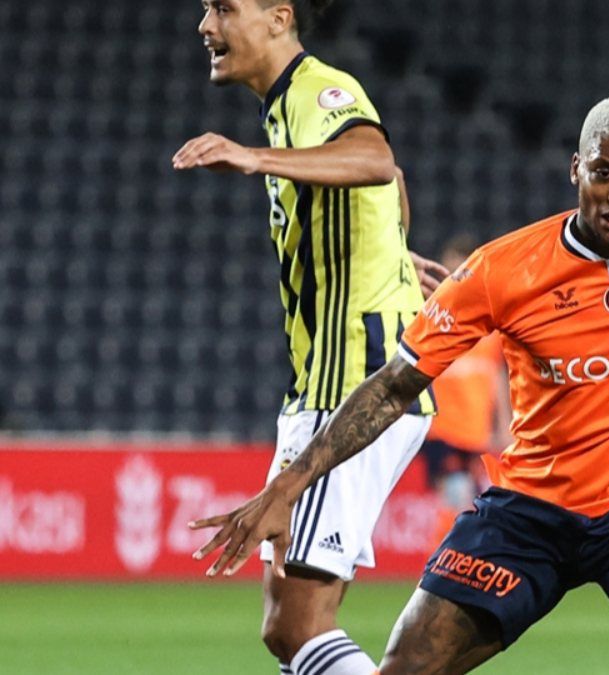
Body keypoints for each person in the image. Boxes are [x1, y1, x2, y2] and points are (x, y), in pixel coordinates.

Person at [191, 95, 609, 675]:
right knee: (405, 668)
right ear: (576, 169)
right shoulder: (503, 269)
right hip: (531, 510)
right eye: (604, 172)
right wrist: (287, 487)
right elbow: (393, 387)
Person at [173, 2, 445, 674]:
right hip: (326, 379)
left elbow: (376, 160)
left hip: (354, 381)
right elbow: (393, 183)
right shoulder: (283, 107)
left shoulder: (318, 89)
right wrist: (393, 254)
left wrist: (250, 158)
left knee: (297, 624)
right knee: (287, 623)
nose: (207, 26)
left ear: (278, 17)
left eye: (224, 8)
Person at [421, 235, 511, 546]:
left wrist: (503, 425)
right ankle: (442, 562)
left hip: (477, 433)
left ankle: (450, 559)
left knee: (470, 504)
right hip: (443, 430)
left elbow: (496, 376)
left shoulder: (490, 326)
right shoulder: (431, 318)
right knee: (457, 498)